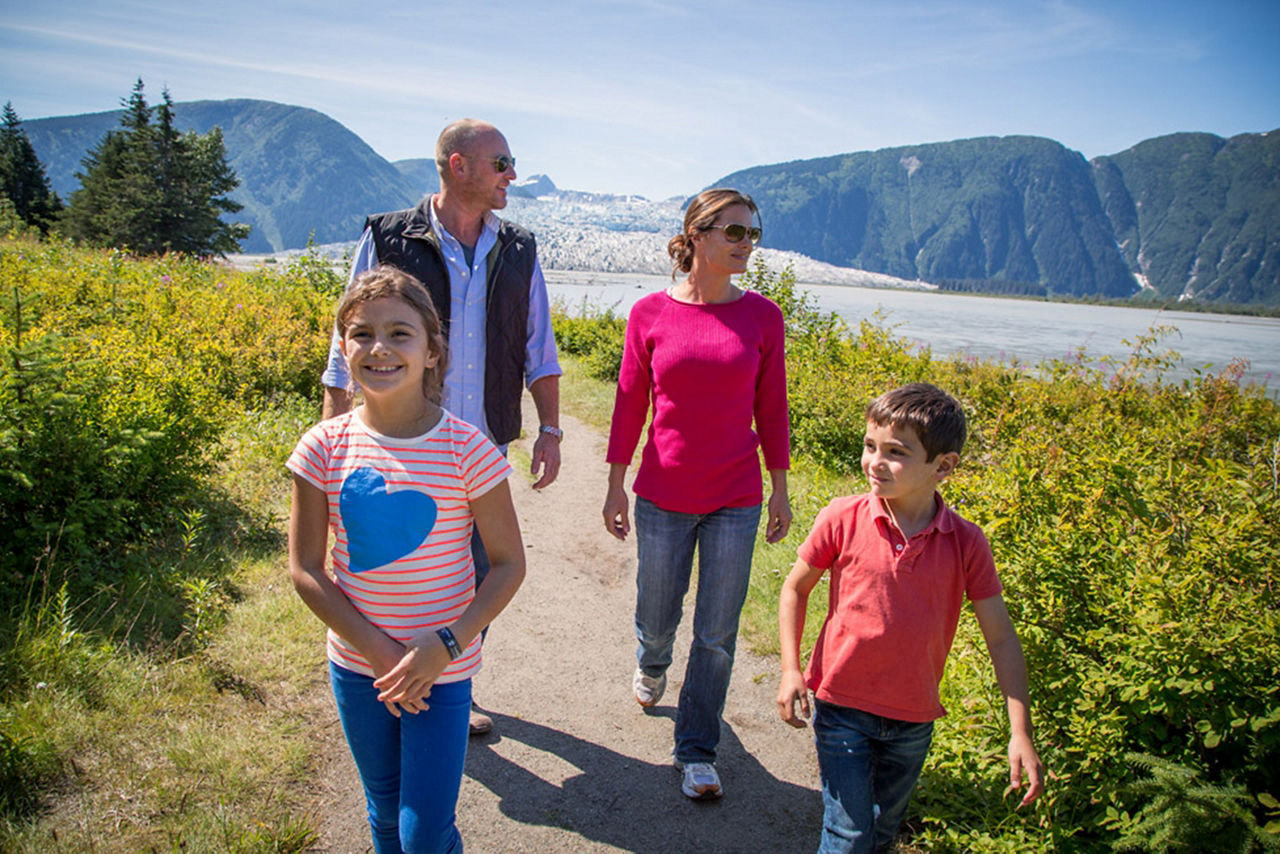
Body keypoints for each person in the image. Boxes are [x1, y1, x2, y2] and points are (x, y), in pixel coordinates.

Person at [321, 118, 561, 737]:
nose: (513, 174)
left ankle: (454, 681)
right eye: (502, 163)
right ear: (459, 166)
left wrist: (551, 429)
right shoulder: (388, 236)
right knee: (387, 571)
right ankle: (385, 671)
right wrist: (331, 442)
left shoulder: (518, 248)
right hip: (394, 443)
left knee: (478, 572)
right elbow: (343, 340)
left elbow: (540, 348)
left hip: (481, 448)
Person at [289, 267, 526, 854]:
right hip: (358, 666)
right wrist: (378, 650)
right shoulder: (323, 447)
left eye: (400, 333)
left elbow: (507, 565)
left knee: (424, 833)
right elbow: (307, 570)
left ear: (432, 352)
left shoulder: (467, 449)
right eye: (361, 333)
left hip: (442, 670)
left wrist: (443, 644)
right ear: (343, 350)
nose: (379, 348)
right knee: (385, 811)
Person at [776, 382, 1044, 853]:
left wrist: (1019, 731)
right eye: (869, 446)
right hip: (842, 706)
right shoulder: (842, 517)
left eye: (895, 452)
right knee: (849, 834)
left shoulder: (966, 542)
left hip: (914, 719)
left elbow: (1001, 638)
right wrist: (791, 669)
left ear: (943, 466)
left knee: (881, 832)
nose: (874, 461)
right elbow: (795, 588)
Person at [602, 188, 792, 800]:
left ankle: (696, 750)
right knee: (658, 615)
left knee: (716, 631)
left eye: (752, 234)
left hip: (735, 496)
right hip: (663, 492)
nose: (747, 245)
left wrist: (780, 488)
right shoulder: (650, 314)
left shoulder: (763, 316)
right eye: (734, 232)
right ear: (698, 236)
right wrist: (615, 483)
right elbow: (631, 401)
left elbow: (772, 406)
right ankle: (652, 662)